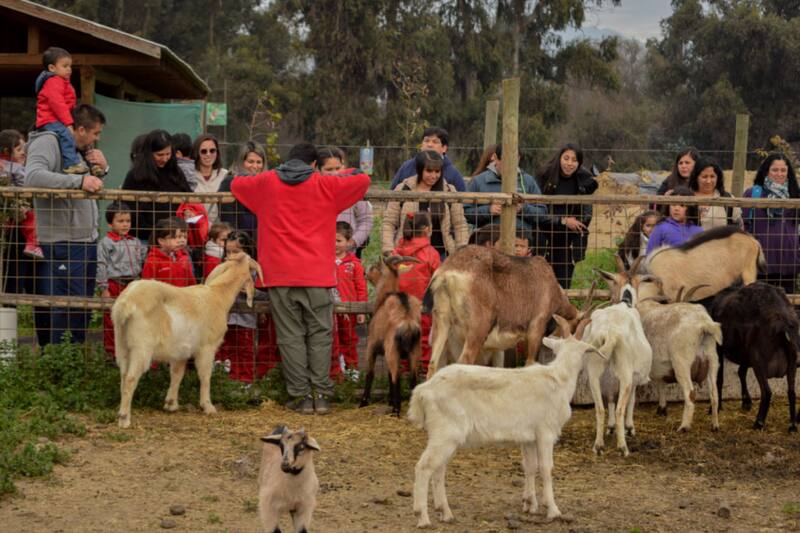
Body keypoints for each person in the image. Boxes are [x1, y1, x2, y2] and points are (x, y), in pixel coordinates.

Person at [231, 142, 370, 415]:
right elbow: (363, 180)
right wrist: (340, 172)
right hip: (317, 273)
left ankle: (301, 396)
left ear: (286, 160)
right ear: (315, 164)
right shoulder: (325, 184)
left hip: (278, 274)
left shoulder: (267, 182)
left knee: (290, 336)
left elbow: (236, 183)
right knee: (320, 334)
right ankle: (322, 395)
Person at [25, 103, 108, 346]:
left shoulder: (79, 149)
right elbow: (33, 176)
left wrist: (102, 168)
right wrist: (79, 182)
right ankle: (59, 360)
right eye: (95, 133)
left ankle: (74, 358)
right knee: (66, 307)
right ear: (80, 129)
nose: (97, 138)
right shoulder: (47, 140)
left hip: (85, 239)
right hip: (63, 239)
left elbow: (88, 182)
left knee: (81, 306)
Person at [382, 150, 469, 259]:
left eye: (437, 171)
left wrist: (462, 251)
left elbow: (459, 224)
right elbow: (389, 222)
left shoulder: (449, 190)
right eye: (429, 171)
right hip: (408, 255)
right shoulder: (403, 188)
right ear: (419, 169)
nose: (434, 176)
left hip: (442, 255)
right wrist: (388, 249)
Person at [537, 144, 598, 288]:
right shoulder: (544, 176)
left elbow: (587, 209)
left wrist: (579, 224)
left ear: (579, 163)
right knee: (540, 280)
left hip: (567, 238)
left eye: (574, 160)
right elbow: (537, 210)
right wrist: (562, 221)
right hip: (543, 234)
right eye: (566, 158)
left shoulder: (584, 179)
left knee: (563, 282)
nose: (569, 163)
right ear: (559, 158)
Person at [122, 129, 192, 244]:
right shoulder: (135, 175)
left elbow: (188, 197)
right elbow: (128, 208)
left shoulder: (176, 172)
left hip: (174, 237)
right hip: (144, 238)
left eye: (168, 154)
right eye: (159, 155)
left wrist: (187, 211)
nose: (164, 159)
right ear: (149, 153)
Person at [34, 47, 97, 176]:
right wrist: (68, 123)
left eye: (70, 66)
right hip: (50, 120)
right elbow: (58, 104)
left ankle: (92, 164)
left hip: (60, 119)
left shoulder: (63, 82)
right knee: (66, 134)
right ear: (52, 68)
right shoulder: (53, 82)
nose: (69, 69)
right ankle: (71, 164)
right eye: (65, 66)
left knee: (81, 135)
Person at [743, 153, 800, 294]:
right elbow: (744, 225)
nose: (779, 174)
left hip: (788, 263)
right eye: (775, 170)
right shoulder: (753, 194)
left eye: (783, 170)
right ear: (766, 171)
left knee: (788, 303)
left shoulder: (795, 194)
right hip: (760, 262)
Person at [391, 212, 440, 374]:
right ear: (426, 229)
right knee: (424, 336)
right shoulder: (431, 253)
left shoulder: (397, 252)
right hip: (423, 303)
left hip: (400, 303)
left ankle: (405, 369)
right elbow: (438, 277)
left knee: (403, 335)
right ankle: (425, 369)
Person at [216, 230, 268, 383]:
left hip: (246, 320)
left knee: (245, 351)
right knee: (226, 350)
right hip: (225, 320)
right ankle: (228, 381)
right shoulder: (222, 269)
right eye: (228, 252)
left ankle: (245, 380)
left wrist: (253, 292)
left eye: (237, 252)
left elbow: (266, 294)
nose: (232, 256)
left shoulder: (255, 270)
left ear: (248, 251)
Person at [464, 143, 546, 238]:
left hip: (520, 242)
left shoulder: (528, 181)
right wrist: (488, 210)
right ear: (495, 158)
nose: (510, 168)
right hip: (488, 242)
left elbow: (542, 213)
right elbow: (465, 212)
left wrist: (523, 209)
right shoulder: (478, 181)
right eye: (505, 162)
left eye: (514, 162)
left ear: (519, 158)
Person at [96, 202, 146, 356]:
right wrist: (104, 288)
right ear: (110, 223)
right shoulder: (106, 243)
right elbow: (101, 265)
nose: (125, 224)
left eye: (128, 221)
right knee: (112, 318)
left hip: (133, 285)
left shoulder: (135, 242)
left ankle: (131, 351)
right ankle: (112, 353)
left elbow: (143, 260)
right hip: (114, 284)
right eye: (120, 221)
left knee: (133, 318)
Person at [319, 146, 374, 257]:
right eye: (329, 169)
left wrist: (352, 242)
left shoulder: (354, 187)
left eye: (338, 168)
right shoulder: (314, 189)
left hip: (348, 255)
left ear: (343, 166)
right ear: (318, 169)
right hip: (319, 252)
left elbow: (366, 220)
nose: (334, 173)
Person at [330, 221, 367, 381]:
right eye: (331, 240)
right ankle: (336, 371)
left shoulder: (354, 264)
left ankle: (352, 369)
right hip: (331, 309)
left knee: (349, 339)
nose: (335, 244)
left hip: (349, 309)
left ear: (348, 242)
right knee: (332, 340)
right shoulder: (325, 261)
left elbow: (361, 288)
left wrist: (361, 310)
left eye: (339, 240)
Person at [0, 129, 43, 259]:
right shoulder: (15, 167)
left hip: (7, 213)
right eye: (19, 149)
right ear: (7, 151)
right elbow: (27, 182)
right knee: (31, 218)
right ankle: (33, 245)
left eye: (24, 149)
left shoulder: (3, 164)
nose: (23, 152)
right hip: (16, 207)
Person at [218, 140, 267, 244]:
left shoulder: (267, 184)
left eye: (259, 162)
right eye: (250, 162)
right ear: (241, 161)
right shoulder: (229, 182)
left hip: (262, 240)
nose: (255, 166)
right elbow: (227, 218)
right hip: (236, 241)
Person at [390, 127, 466, 191]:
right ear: (421, 145)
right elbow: (392, 194)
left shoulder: (453, 174)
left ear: (444, 148)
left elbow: (463, 201)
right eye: (426, 141)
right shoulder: (407, 167)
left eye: (435, 142)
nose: (429, 145)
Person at [646, 187, 703, 254]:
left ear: (690, 208)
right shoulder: (660, 228)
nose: (676, 208)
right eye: (673, 204)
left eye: (682, 205)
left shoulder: (698, 230)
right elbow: (650, 255)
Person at [688, 157, 742, 229]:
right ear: (696, 177)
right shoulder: (686, 197)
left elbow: (739, 228)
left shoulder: (728, 198)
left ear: (718, 177)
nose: (708, 181)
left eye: (712, 176)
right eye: (704, 177)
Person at [142, 217, 195, 287]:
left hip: (183, 293)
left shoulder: (184, 257)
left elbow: (191, 282)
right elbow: (146, 286)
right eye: (175, 237)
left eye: (185, 237)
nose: (182, 240)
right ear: (161, 241)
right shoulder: (152, 261)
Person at [191, 134, 228, 224]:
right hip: (195, 226)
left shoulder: (225, 175)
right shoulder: (189, 175)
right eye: (204, 151)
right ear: (196, 153)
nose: (208, 154)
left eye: (212, 151)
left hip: (219, 228)